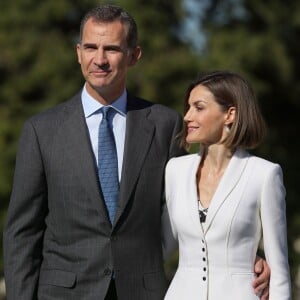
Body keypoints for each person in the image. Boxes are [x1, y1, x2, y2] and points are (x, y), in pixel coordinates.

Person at [3, 4, 270, 300]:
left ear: (134, 55)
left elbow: (201, 202)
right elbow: (22, 233)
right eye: (91, 47)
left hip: (144, 292)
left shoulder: (165, 124)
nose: (99, 59)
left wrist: (249, 255)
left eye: (112, 49)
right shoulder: (42, 131)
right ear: (78, 52)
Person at [163, 71, 291, 299]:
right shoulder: (175, 170)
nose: (187, 116)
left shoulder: (264, 175)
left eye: (198, 107)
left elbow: (279, 271)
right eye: (188, 107)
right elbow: (163, 246)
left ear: (229, 114)